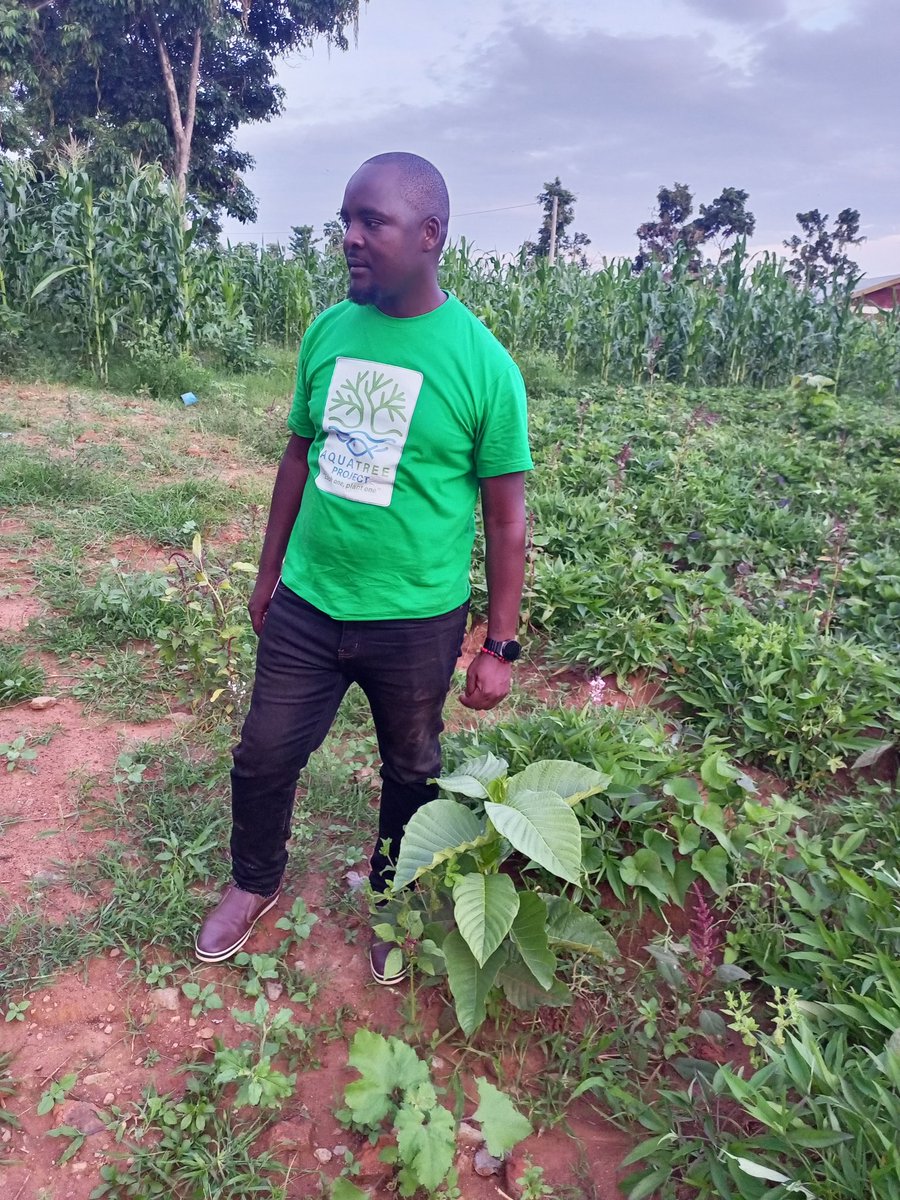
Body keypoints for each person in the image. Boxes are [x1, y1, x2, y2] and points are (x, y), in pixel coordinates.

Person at [194, 151, 532, 983]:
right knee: (264, 753)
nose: (349, 237)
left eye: (370, 222)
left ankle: (391, 898)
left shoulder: (484, 366)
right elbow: (297, 459)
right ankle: (254, 880)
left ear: (429, 235)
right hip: (310, 601)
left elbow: (505, 518)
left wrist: (500, 644)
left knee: (411, 768)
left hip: (415, 619)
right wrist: (268, 576)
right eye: (345, 220)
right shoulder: (327, 332)